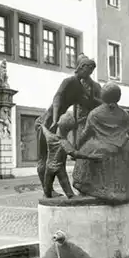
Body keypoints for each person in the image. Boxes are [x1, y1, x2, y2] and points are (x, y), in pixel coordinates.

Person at [35, 54, 102, 194]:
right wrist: (54, 119)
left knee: (57, 159)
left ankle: (57, 192)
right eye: (88, 71)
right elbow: (57, 98)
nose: (89, 74)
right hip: (46, 122)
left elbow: (89, 103)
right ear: (81, 68)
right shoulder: (69, 81)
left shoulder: (79, 87)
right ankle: (48, 190)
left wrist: (108, 101)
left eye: (91, 72)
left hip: (55, 121)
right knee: (46, 158)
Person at [72, 82, 129, 204]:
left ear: (103, 96)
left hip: (103, 145)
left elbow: (86, 133)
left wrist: (77, 147)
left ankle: (87, 186)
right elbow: (125, 131)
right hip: (122, 146)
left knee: (86, 151)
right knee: (128, 149)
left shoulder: (95, 113)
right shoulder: (124, 114)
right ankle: (124, 189)